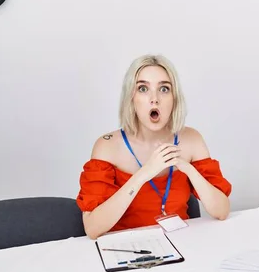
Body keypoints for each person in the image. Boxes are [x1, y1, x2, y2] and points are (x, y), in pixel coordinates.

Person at [76, 54, 232, 239]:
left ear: (174, 98)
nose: (154, 99)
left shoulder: (191, 138)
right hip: (128, 250)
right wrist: (145, 173)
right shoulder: (107, 146)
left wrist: (188, 169)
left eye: (164, 89)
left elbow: (221, 211)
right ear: (131, 98)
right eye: (143, 89)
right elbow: (92, 228)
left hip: (182, 245)